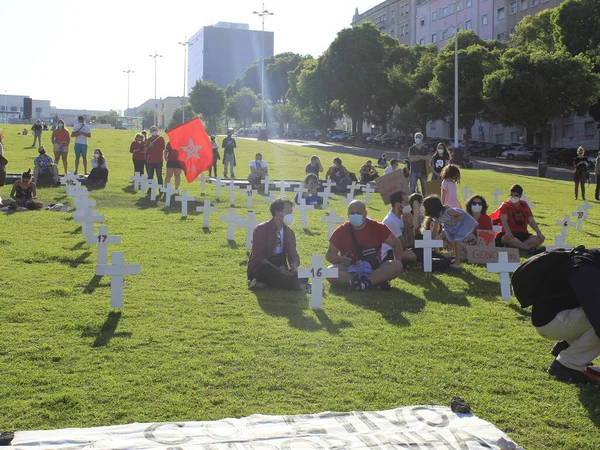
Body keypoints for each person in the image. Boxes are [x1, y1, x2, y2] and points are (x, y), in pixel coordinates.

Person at [326, 200, 404, 291]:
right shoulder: (341, 230)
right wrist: (342, 259)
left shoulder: (377, 227)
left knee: (397, 265)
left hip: (374, 270)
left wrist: (398, 260)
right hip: (350, 270)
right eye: (352, 213)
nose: (355, 215)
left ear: (365, 213)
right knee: (329, 271)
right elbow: (329, 254)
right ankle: (370, 283)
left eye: (358, 213)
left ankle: (365, 282)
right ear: (347, 214)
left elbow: (396, 243)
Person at [247, 197, 307, 291]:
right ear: (278, 213)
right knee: (269, 271)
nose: (291, 215)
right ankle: (298, 285)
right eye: (288, 212)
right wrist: (278, 270)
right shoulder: (261, 229)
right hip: (263, 266)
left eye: (292, 212)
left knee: (303, 273)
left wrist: (294, 265)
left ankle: (291, 282)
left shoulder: (289, 232)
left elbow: (292, 252)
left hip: (280, 266)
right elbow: (258, 256)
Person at [422, 195, 478, 268]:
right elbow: (435, 230)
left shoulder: (448, 211)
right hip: (452, 227)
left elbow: (462, 215)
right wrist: (430, 241)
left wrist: (454, 221)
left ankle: (458, 262)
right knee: (448, 236)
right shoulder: (436, 217)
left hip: (461, 224)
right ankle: (457, 255)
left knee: (456, 242)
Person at [490, 184, 546, 253]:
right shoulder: (505, 206)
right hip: (509, 234)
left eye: (515, 195)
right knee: (507, 238)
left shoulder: (524, 205)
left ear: (520, 196)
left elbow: (531, 220)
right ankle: (530, 249)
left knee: (540, 238)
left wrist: (538, 232)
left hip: (523, 234)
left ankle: (518, 248)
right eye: (511, 195)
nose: (513, 197)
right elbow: (504, 220)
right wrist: (508, 232)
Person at [381, 191, 418, 265]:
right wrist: (406, 226)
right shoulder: (391, 221)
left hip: (399, 249)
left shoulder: (401, 217)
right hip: (389, 252)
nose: (408, 206)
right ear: (398, 205)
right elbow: (404, 244)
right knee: (411, 255)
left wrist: (410, 225)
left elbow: (411, 243)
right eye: (406, 203)